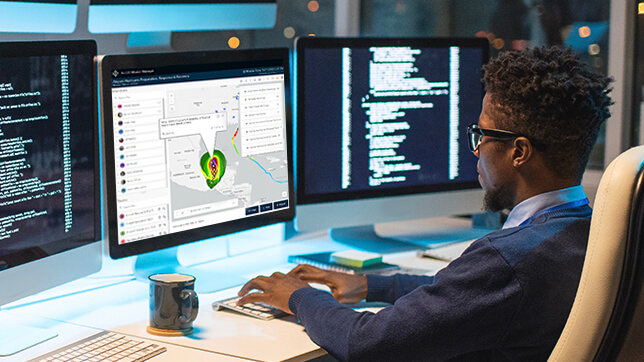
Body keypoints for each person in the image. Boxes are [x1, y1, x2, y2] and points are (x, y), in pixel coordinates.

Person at [237, 46, 614, 361]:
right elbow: (461, 294)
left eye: (481, 134)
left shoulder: (507, 260)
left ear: (519, 152)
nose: (477, 149)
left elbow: (364, 342)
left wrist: (298, 297)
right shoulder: (586, 232)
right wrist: (371, 285)